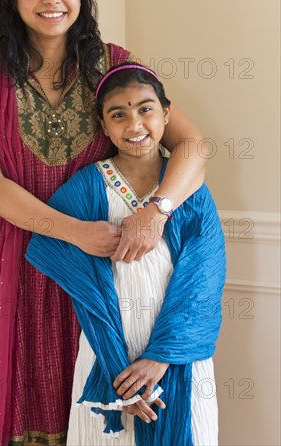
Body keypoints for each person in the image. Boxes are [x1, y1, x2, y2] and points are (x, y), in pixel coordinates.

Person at [0, 0, 208, 446]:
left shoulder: (112, 66)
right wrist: (73, 233)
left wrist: (157, 211)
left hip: (109, 256)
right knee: (21, 391)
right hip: (17, 250)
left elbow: (193, 147)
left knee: (103, 396)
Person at [26, 62, 226, 446]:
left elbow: (203, 282)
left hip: (179, 355)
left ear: (167, 114)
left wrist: (161, 357)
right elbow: (85, 295)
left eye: (146, 109)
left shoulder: (188, 190)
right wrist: (121, 377)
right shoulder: (85, 189)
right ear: (103, 126)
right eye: (119, 114)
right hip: (107, 356)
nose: (134, 125)